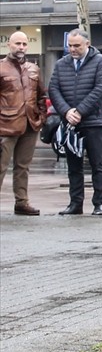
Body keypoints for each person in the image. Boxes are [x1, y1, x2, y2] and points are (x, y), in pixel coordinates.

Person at [49, 29, 102, 215]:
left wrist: (80, 111)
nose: (73, 49)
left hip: (93, 122)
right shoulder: (61, 64)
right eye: (70, 46)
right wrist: (67, 111)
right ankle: (75, 203)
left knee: (97, 164)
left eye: (77, 46)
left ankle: (99, 204)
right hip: (70, 123)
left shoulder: (100, 61)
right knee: (74, 167)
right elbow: (53, 89)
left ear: (87, 44)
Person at [0, 31, 48, 215]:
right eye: (17, 43)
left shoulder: (33, 69)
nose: (21, 47)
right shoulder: (1, 68)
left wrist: (41, 117)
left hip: (30, 124)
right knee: (1, 167)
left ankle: (21, 202)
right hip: (5, 125)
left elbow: (41, 96)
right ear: (9, 45)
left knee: (23, 167)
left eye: (24, 44)